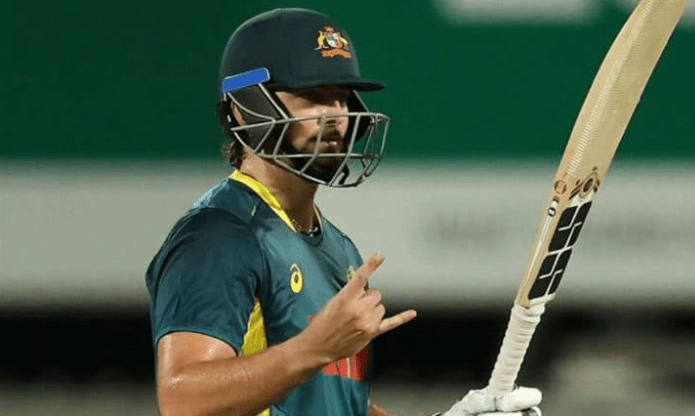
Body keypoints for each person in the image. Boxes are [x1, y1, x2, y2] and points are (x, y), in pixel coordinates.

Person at [146, 8, 542, 416]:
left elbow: (331, 403)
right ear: (246, 107)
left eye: (342, 96)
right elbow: (182, 400)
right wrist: (313, 348)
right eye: (313, 96)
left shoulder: (338, 248)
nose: (337, 115)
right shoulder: (220, 235)